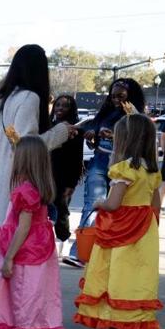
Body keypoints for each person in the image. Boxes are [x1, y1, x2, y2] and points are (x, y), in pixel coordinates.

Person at [0, 45, 78, 307]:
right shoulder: (30, 98)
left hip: (0, 180)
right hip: (17, 183)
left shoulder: (8, 97)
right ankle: (7, 311)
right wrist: (61, 133)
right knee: (15, 248)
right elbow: (24, 145)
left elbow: (15, 140)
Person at [0, 137, 67, 329]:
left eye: (16, 154)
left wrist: (9, 258)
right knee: (30, 296)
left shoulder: (25, 190)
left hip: (25, 254)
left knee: (22, 296)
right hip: (37, 252)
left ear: (24, 160)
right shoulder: (38, 187)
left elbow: (23, 227)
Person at [76, 114, 163, 329]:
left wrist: (98, 204)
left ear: (124, 140)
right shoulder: (152, 170)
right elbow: (155, 205)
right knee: (135, 280)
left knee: (116, 278)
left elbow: (114, 204)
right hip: (144, 231)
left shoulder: (123, 169)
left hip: (120, 233)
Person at [64, 78, 146, 267]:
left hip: (122, 167)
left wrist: (116, 135)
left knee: (118, 209)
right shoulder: (106, 113)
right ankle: (81, 252)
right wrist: (92, 135)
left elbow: (138, 138)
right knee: (92, 205)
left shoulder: (135, 115)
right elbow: (94, 128)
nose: (116, 99)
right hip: (100, 161)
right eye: (113, 96)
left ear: (131, 96)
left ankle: (111, 253)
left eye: (121, 96)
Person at [48, 94, 83, 242]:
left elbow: (77, 158)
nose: (60, 108)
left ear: (72, 109)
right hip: (47, 175)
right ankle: (47, 242)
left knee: (61, 210)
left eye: (65, 105)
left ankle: (63, 240)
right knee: (47, 210)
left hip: (64, 177)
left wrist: (72, 183)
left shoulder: (75, 129)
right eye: (58, 105)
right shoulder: (48, 126)